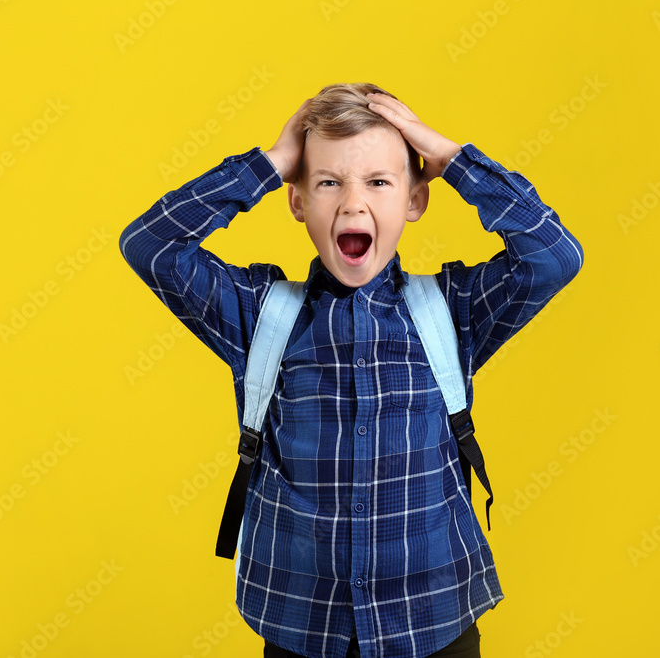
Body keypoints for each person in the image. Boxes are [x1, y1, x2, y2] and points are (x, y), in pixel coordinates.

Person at [119, 82, 584, 658]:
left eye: (379, 182)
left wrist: (449, 159)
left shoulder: (451, 312)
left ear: (415, 202)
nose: (353, 203)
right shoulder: (258, 313)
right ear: (297, 202)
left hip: (434, 622)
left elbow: (554, 255)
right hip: (301, 627)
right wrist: (271, 164)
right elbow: (150, 245)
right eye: (328, 182)